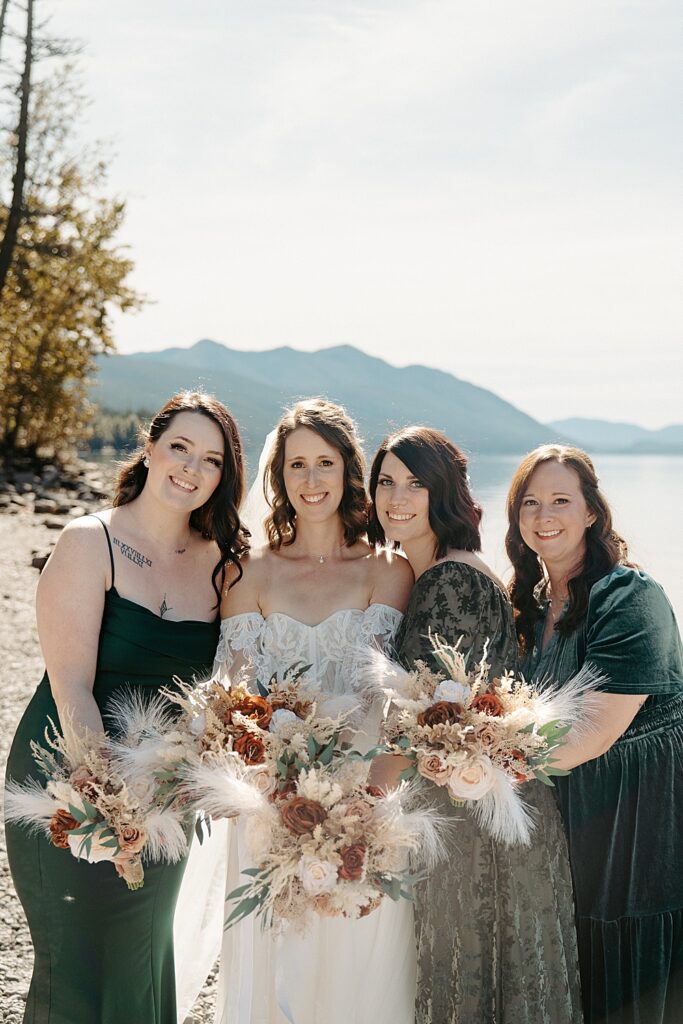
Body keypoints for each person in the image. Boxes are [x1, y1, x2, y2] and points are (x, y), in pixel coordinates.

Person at [4, 391, 248, 1024]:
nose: (192, 468)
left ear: (225, 476)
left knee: (140, 962)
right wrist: (106, 799)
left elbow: (228, 690)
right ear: (149, 448)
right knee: (75, 967)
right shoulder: (92, 540)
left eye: (212, 460)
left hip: (164, 796)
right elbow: (71, 686)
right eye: (180, 448)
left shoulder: (225, 566)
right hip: (69, 775)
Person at [369, 426, 583, 1024]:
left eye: (417, 483)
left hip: (476, 826)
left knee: (470, 978)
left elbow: (424, 725)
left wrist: (356, 815)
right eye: (385, 482)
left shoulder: (450, 581)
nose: (398, 498)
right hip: (477, 806)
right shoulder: (442, 571)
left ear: (447, 495)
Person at [212, 397, 415, 1024]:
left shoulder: (389, 570)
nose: (311, 480)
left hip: (367, 800)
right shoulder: (248, 572)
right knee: (280, 963)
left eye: (324, 462)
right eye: (296, 464)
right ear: (279, 476)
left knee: (362, 961)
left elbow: (398, 701)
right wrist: (272, 781)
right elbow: (235, 698)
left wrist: (368, 792)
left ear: (349, 471)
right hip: (272, 799)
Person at [506, 444, 683, 1024]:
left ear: (591, 514)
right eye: (530, 503)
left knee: (626, 978)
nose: (544, 515)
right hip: (572, 819)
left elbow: (592, 733)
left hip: (636, 825)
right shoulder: (529, 607)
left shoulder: (630, 598)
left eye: (561, 500)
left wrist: (480, 765)